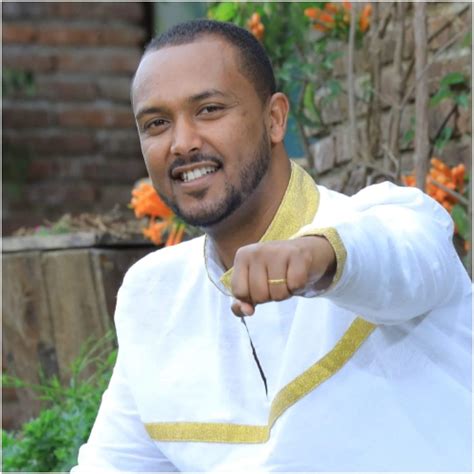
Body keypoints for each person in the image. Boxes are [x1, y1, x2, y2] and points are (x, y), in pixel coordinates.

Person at [72, 19, 471, 472]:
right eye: (157, 123)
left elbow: (406, 256)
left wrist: (318, 255)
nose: (182, 143)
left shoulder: (391, 222)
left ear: (275, 119)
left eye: (209, 110)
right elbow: (114, 463)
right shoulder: (152, 295)